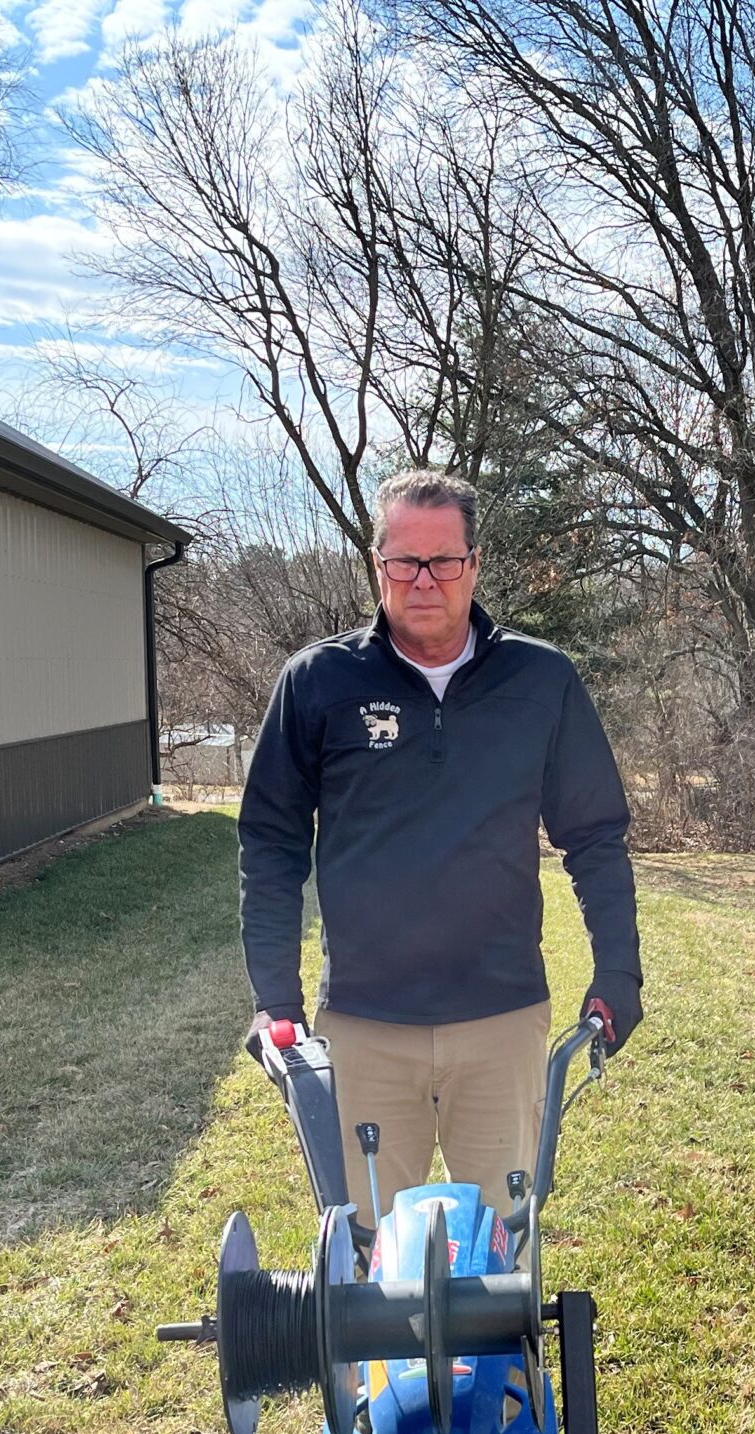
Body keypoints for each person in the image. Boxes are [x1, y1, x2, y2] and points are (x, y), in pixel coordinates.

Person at [238, 470, 641, 1220]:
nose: (424, 580)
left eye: (444, 560)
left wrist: (619, 969)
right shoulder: (318, 682)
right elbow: (270, 846)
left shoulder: (541, 680)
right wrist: (275, 999)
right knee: (366, 1254)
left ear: (474, 564)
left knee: (503, 1253)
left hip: (501, 1021)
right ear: (377, 564)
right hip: (363, 1025)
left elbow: (594, 838)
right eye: (404, 561)